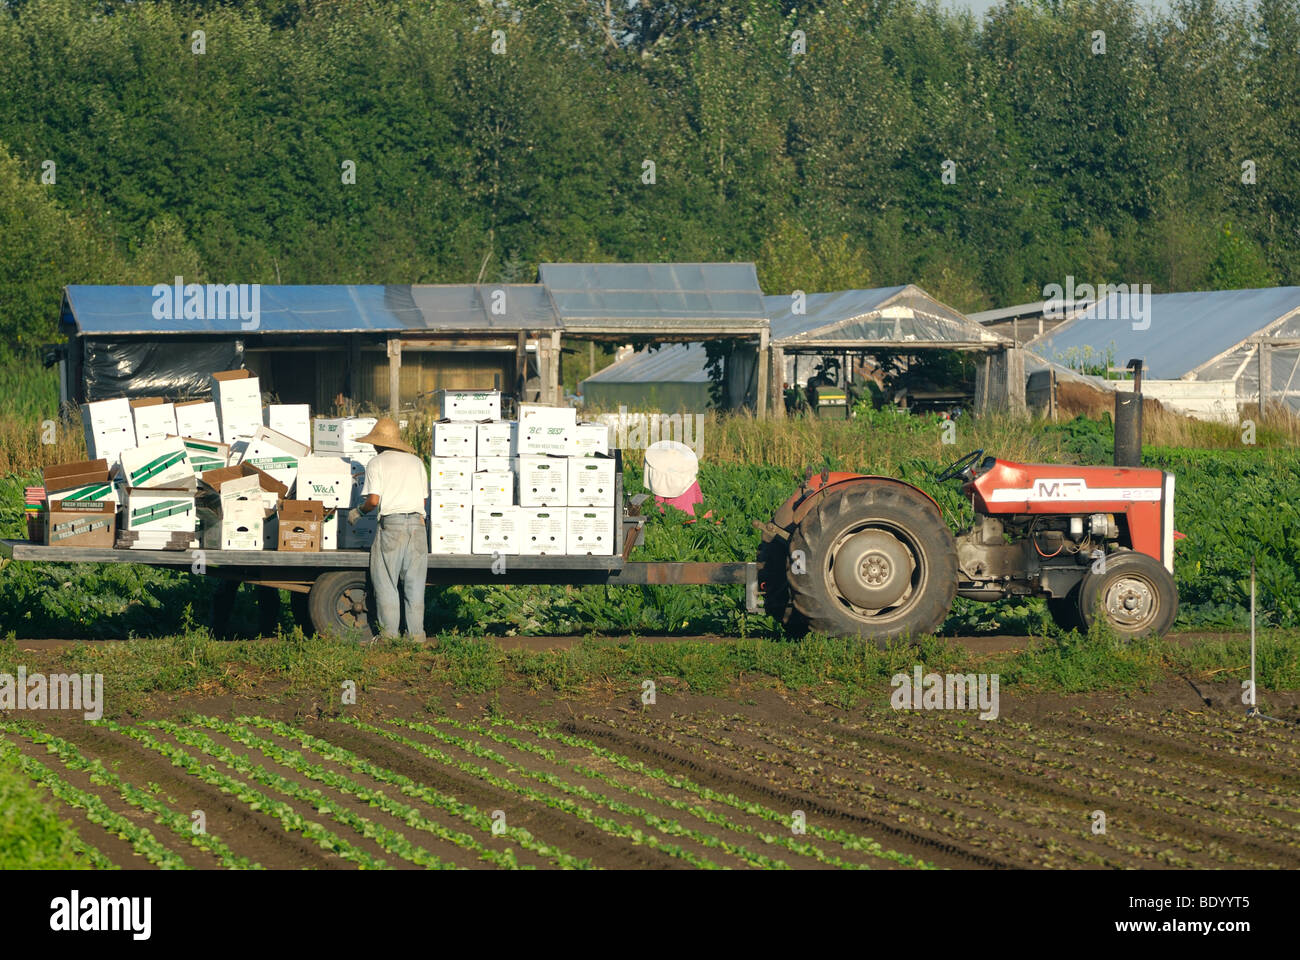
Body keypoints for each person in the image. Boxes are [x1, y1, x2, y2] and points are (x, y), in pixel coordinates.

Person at [346, 418, 429, 642]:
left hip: (392, 526)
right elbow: (422, 499)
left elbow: (373, 501)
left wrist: (358, 512)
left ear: (377, 443)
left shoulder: (377, 463)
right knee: (414, 584)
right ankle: (416, 637)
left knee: (386, 582)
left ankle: (390, 637)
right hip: (418, 527)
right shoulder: (416, 462)